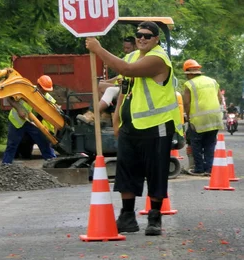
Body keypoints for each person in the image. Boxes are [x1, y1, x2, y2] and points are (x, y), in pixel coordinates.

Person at [86, 21, 182, 236]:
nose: (142, 38)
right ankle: (127, 216)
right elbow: (124, 87)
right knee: (126, 171)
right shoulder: (131, 57)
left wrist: (98, 49)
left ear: (156, 39)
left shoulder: (158, 59)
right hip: (131, 126)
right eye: (139, 35)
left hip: (156, 125)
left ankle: (154, 217)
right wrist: (117, 118)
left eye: (147, 36)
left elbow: (126, 70)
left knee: (156, 171)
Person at [77, 36, 138, 124]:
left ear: (135, 47)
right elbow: (119, 76)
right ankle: (105, 115)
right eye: (124, 48)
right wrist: (107, 82)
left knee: (109, 90)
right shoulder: (128, 57)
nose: (125, 50)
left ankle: (93, 114)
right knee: (100, 84)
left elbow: (131, 74)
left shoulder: (138, 58)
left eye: (128, 48)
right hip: (122, 85)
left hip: (129, 87)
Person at [2, 75, 58, 165]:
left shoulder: (47, 98)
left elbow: (54, 113)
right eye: (44, 89)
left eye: (47, 90)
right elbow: (10, 98)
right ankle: (5, 165)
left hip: (32, 122)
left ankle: (52, 162)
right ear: (38, 85)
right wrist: (19, 109)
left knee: (43, 141)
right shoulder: (26, 91)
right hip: (16, 121)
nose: (45, 92)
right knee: (12, 144)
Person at [182, 59, 223, 176]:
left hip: (198, 119)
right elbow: (219, 98)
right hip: (214, 117)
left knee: (196, 143)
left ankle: (199, 168)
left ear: (189, 73)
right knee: (210, 143)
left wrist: (188, 117)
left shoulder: (189, 84)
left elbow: (187, 103)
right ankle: (209, 168)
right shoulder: (213, 81)